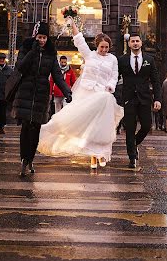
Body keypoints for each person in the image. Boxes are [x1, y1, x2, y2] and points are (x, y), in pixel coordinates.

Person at [38, 18, 123, 170]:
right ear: (97, 46)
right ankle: (92, 155)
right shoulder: (89, 55)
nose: (104, 50)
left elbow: (114, 76)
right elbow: (79, 40)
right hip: (87, 94)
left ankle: (102, 153)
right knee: (86, 126)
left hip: (103, 95)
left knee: (102, 127)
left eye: (107, 47)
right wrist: (73, 25)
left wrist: (110, 87)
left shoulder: (113, 59)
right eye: (102, 47)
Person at [13, 21, 72, 177]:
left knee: (36, 128)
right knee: (26, 127)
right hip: (26, 90)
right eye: (40, 37)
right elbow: (20, 68)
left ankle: (30, 158)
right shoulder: (26, 47)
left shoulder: (51, 52)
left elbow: (57, 75)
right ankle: (24, 160)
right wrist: (32, 51)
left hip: (41, 93)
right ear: (35, 36)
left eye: (45, 37)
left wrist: (67, 92)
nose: (42, 40)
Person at [118, 33, 161, 168]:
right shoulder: (122, 60)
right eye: (132, 41)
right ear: (129, 44)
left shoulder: (150, 59)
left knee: (147, 126)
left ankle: (134, 143)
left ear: (141, 43)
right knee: (129, 128)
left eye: (137, 41)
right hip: (128, 98)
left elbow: (155, 80)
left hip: (144, 98)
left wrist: (158, 99)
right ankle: (132, 157)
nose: (135, 43)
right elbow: (115, 77)